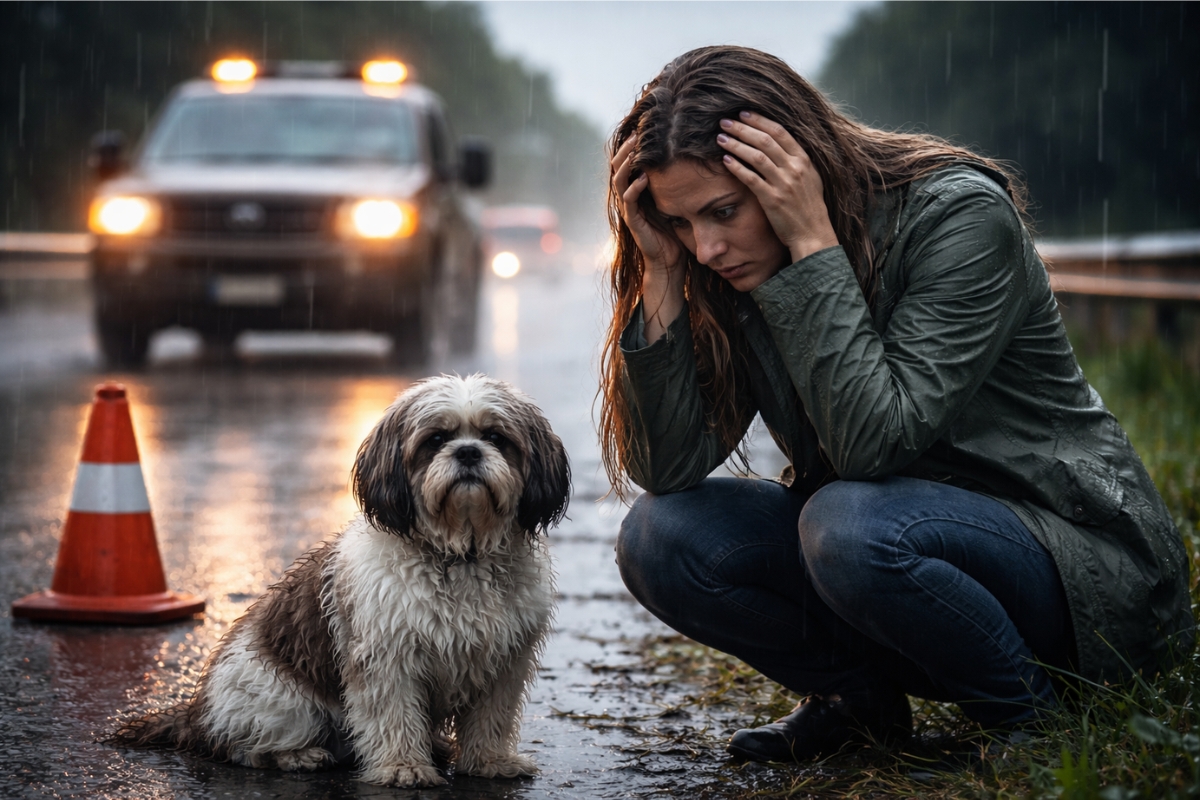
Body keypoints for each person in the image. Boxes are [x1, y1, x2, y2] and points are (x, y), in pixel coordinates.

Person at [598, 45, 1194, 763]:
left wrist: (812, 244)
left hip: (1073, 569)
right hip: (890, 563)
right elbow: (666, 467)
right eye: (682, 223)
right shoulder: (716, 261)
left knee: (848, 523)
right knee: (659, 535)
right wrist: (659, 271)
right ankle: (859, 705)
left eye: (724, 211)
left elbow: (871, 447)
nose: (709, 246)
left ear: (794, 171)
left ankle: (1029, 723)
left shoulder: (958, 218)